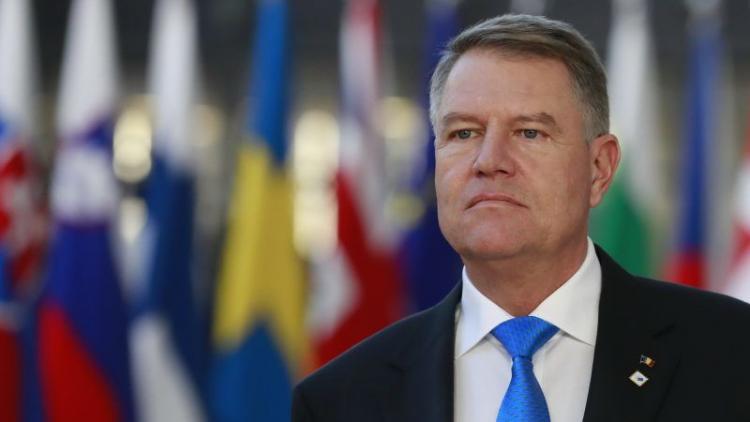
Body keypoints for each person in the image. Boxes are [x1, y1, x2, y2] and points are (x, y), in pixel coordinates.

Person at [292, 14, 750, 422]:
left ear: (599, 168)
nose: (489, 160)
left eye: (529, 132)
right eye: (464, 133)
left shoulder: (732, 353)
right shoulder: (338, 399)